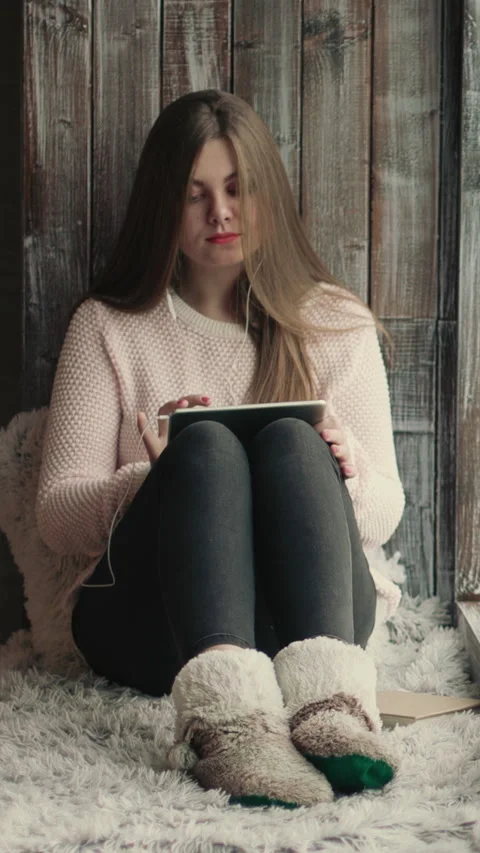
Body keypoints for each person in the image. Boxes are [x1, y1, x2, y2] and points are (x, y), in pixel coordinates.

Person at [36, 89, 405, 809]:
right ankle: (231, 727)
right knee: (204, 448)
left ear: (269, 195)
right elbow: (55, 514)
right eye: (195, 194)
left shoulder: (335, 323)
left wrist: (346, 471)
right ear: (163, 205)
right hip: (160, 629)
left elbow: (386, 510)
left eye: (238, 189)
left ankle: (331, 711)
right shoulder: (109, 327)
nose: (221, 214)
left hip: (304, 625)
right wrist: (158, 479)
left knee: (295, 440)